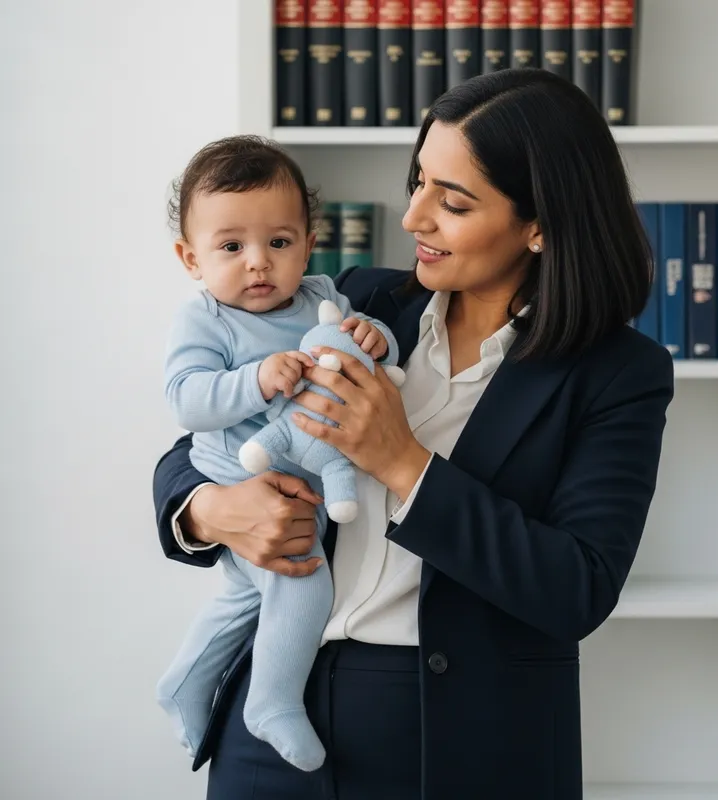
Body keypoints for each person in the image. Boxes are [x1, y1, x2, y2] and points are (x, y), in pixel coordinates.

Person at [152, 68, 675, 800]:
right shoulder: (358, 301)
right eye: (419, 181)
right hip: (270, 711)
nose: (413, 218)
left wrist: (404, 462)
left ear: (540, 225)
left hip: (453, 741)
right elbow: (191, 448)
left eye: (452, 201)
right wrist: (210, 512)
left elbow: (576, 588)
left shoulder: (619, 373)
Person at [155, 136, 399, 773]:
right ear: (191, 258)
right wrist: (258, 379)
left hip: (306, 475)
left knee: (243, 597)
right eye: (232, 247)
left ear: (309, 244)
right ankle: (271, 699)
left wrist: (378, 341)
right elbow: (186, 402)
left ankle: (183, 684)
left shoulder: (323, 296)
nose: (258, 264)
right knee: (302, 584)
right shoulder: (207, 319)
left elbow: (358, 361)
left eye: (279, 243)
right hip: (238, 471)